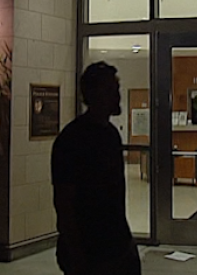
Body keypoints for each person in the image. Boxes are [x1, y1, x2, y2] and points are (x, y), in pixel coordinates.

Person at [51, 62, 140, 275]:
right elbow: (64, 201)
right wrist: (77, 254)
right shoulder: (72, 140)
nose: (117, 96)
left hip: (116, 244)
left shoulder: (110, 135)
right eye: (111, 90)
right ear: (93, 94)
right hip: (91, 249)